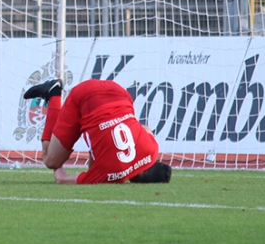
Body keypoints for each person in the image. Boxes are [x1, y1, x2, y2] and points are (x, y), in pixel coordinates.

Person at [25, 78, 172, 185]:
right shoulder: (111, 174)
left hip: (119, 92)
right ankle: (54, 94)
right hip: (84, 98)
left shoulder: (152, 150)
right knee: (51, 161)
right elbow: (61, 178)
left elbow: (146, 129)